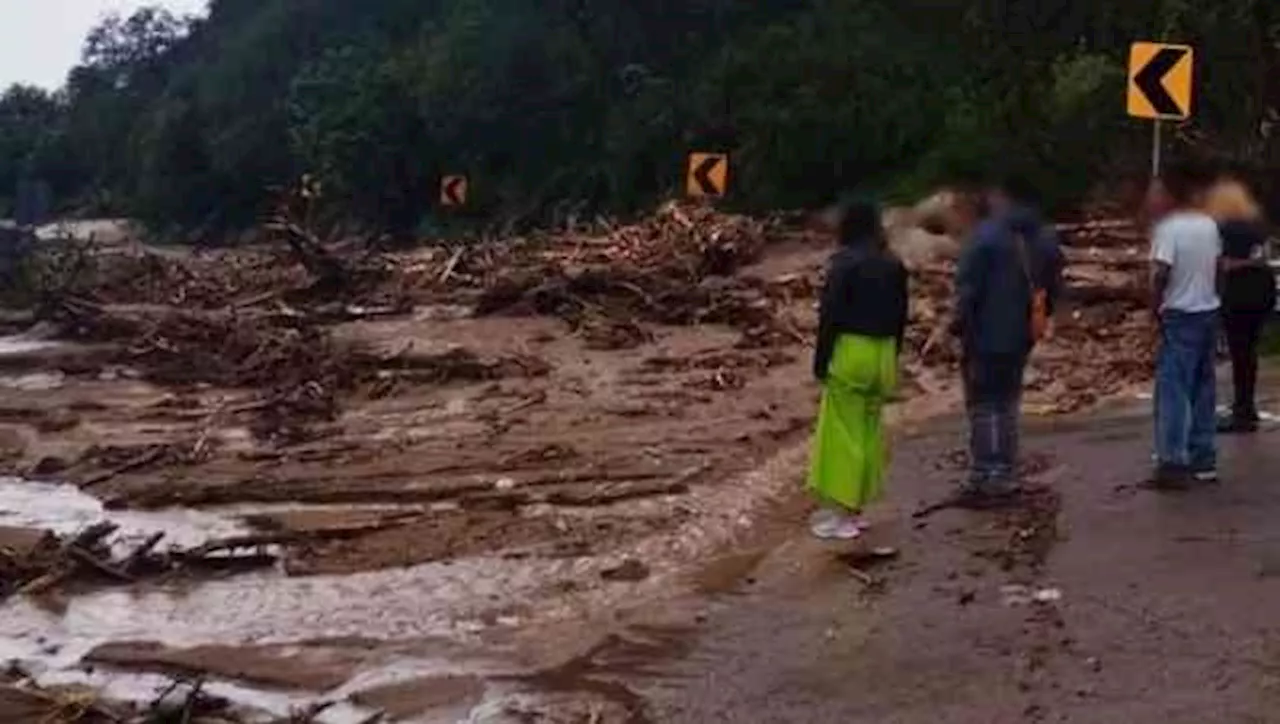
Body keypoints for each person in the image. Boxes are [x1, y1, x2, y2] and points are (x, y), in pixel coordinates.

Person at [953, 176, 1064, 502]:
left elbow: (968, 290)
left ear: (1003, 198)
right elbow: (1053, 285)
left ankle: (986, 474)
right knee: (1008, 402)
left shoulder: (985, 236)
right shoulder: (1042, 236)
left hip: (985, 332)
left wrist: (958, 326)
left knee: (984, 403)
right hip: (1022, 333)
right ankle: (1005, 469)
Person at [808, 199, 909, 540]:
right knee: (869, 430)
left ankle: (844, 517)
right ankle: (860, 510)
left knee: (843, 435)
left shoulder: (844, 264)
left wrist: (821, 362)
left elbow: (830, 317)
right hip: (883, 353)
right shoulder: (893, 264)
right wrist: (893, 358)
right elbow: (901, 316)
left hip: (851, 352)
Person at [1148, 166, 1222, 487]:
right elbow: (1219, 268)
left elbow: (1161, 271)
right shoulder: (1208, 224)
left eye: (1159, 191)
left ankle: (1172, 461)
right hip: (1207, 310)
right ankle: (1203, 458)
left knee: (1173, 389)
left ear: (1170, 195)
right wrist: (1215, 296)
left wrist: (1155, 306)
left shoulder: (1168, 229)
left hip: (1179, 314)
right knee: (1203, 388)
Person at [1205, 177, 1275, 433]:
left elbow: (1217, 262)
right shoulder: (1257, 225)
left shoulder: (1220, 228)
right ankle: (1246, 406)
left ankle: (1242, 410)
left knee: (1238, 351)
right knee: (1249, 352)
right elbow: (1263, 256)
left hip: (1237, 293)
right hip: (1262, 291)